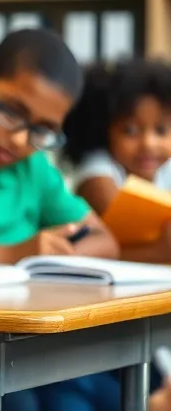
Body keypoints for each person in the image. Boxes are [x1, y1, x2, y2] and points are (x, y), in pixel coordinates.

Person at [0, 28, 120, 411]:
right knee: (30, 410)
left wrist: (62, 251)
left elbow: (106, 240)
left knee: (100, 396)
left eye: (43, 130)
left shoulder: (34, 169)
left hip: (36, 335)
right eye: (11, 112)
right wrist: (18, 252)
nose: (20, 139)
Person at [64, 59, 171, 262]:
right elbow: (127, 229)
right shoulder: (98, 171)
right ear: (104, 130)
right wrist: (162, 250)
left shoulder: (166, 168)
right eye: (130, 131)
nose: (148, 144)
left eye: (161, 130)